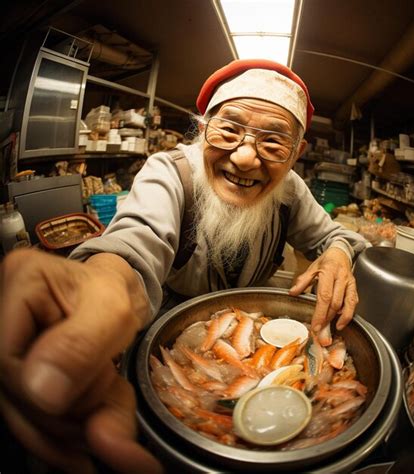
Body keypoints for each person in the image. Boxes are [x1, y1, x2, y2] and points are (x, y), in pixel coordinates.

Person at [0, 58, 369, 473]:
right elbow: (134, 244)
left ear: (296, 154)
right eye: (229, 129)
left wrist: (337, 254)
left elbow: (333, 235)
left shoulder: (290, 190)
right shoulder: (170, 172)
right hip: (169, 329)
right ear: (203, 128)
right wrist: (99, 283)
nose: (246, 158)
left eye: (272, 144)